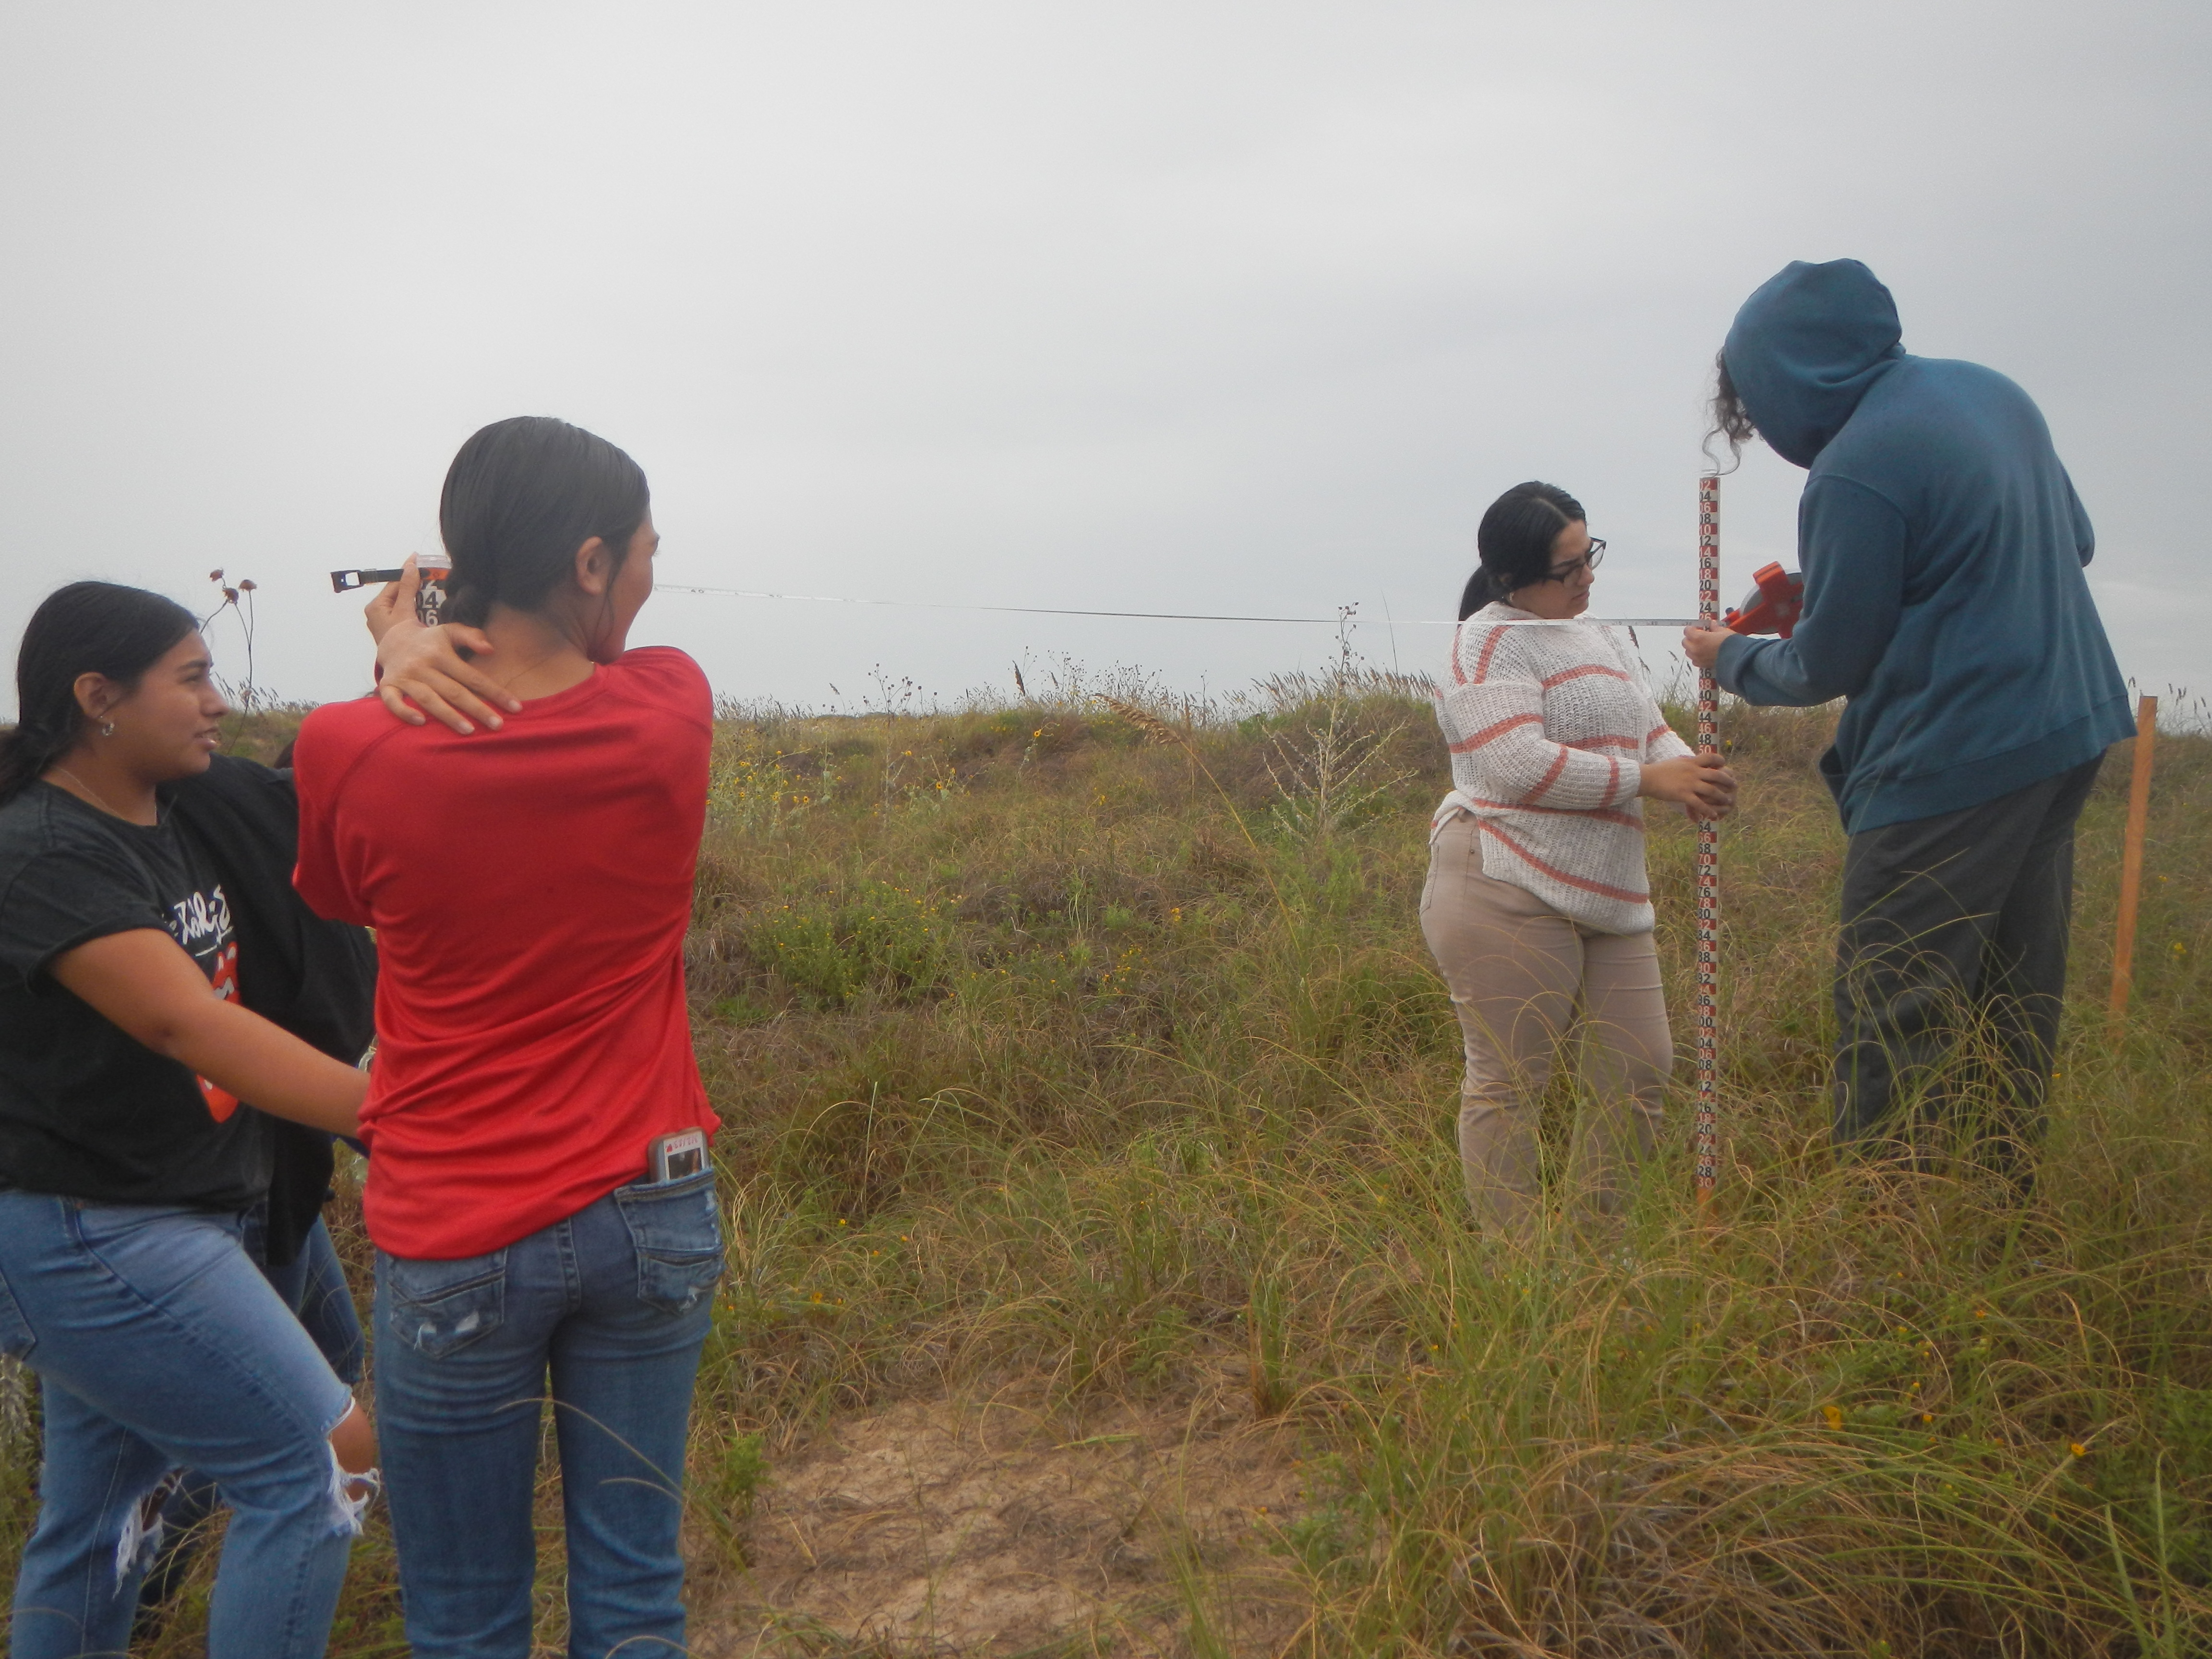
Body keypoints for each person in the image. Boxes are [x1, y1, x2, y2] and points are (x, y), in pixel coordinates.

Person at [292, 415, 722, 1658]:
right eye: (644, 553)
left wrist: (396, 652)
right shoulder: (670, 711)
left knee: (468, 1612)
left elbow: (336, 896)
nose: (652, 578)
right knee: (636, 1591)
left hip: (455, 1227)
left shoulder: (349, 744)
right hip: (652, 1203)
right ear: (590, 565)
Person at [1683, 259, 2132, 1173]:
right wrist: (1876, 581)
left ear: (1787, 380)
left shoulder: (1855, 469)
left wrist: (1726, 656)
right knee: (2015, 993)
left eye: (1757, 406)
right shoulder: (1991, 394)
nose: (1762, 429)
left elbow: (1824, 665)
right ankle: (2001, 1209)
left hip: (1954, 760)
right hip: (2067, 731)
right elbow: (2071, 541)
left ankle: (1887, 1244)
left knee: (1896, 1004)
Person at [0, 583, 377, 1659]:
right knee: (322, 1463)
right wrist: (397, 1115)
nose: (219, 701)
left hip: (187, 1208)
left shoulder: (170, 817)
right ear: (97, 698)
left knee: (101, 1524)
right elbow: (186, 1026)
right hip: (93, 1231)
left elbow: (313, 787)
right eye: (193, 678)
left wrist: (407, 654)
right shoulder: (45, 852)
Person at [1424, 481, 1736, 1237]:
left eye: (1588, 556)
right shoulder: (1486, 642)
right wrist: (1647, 782)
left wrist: (1688, 770)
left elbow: (1645, 729)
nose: (1586, 579)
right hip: (1504, 880)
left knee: (1640, 1068)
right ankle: (1518, 1270)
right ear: (1512, 576)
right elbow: (1512, 766)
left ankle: (1604, 1252)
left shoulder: (1600, 637)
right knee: (1510, 1085)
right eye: (1568, 568)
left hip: (1610, 891)